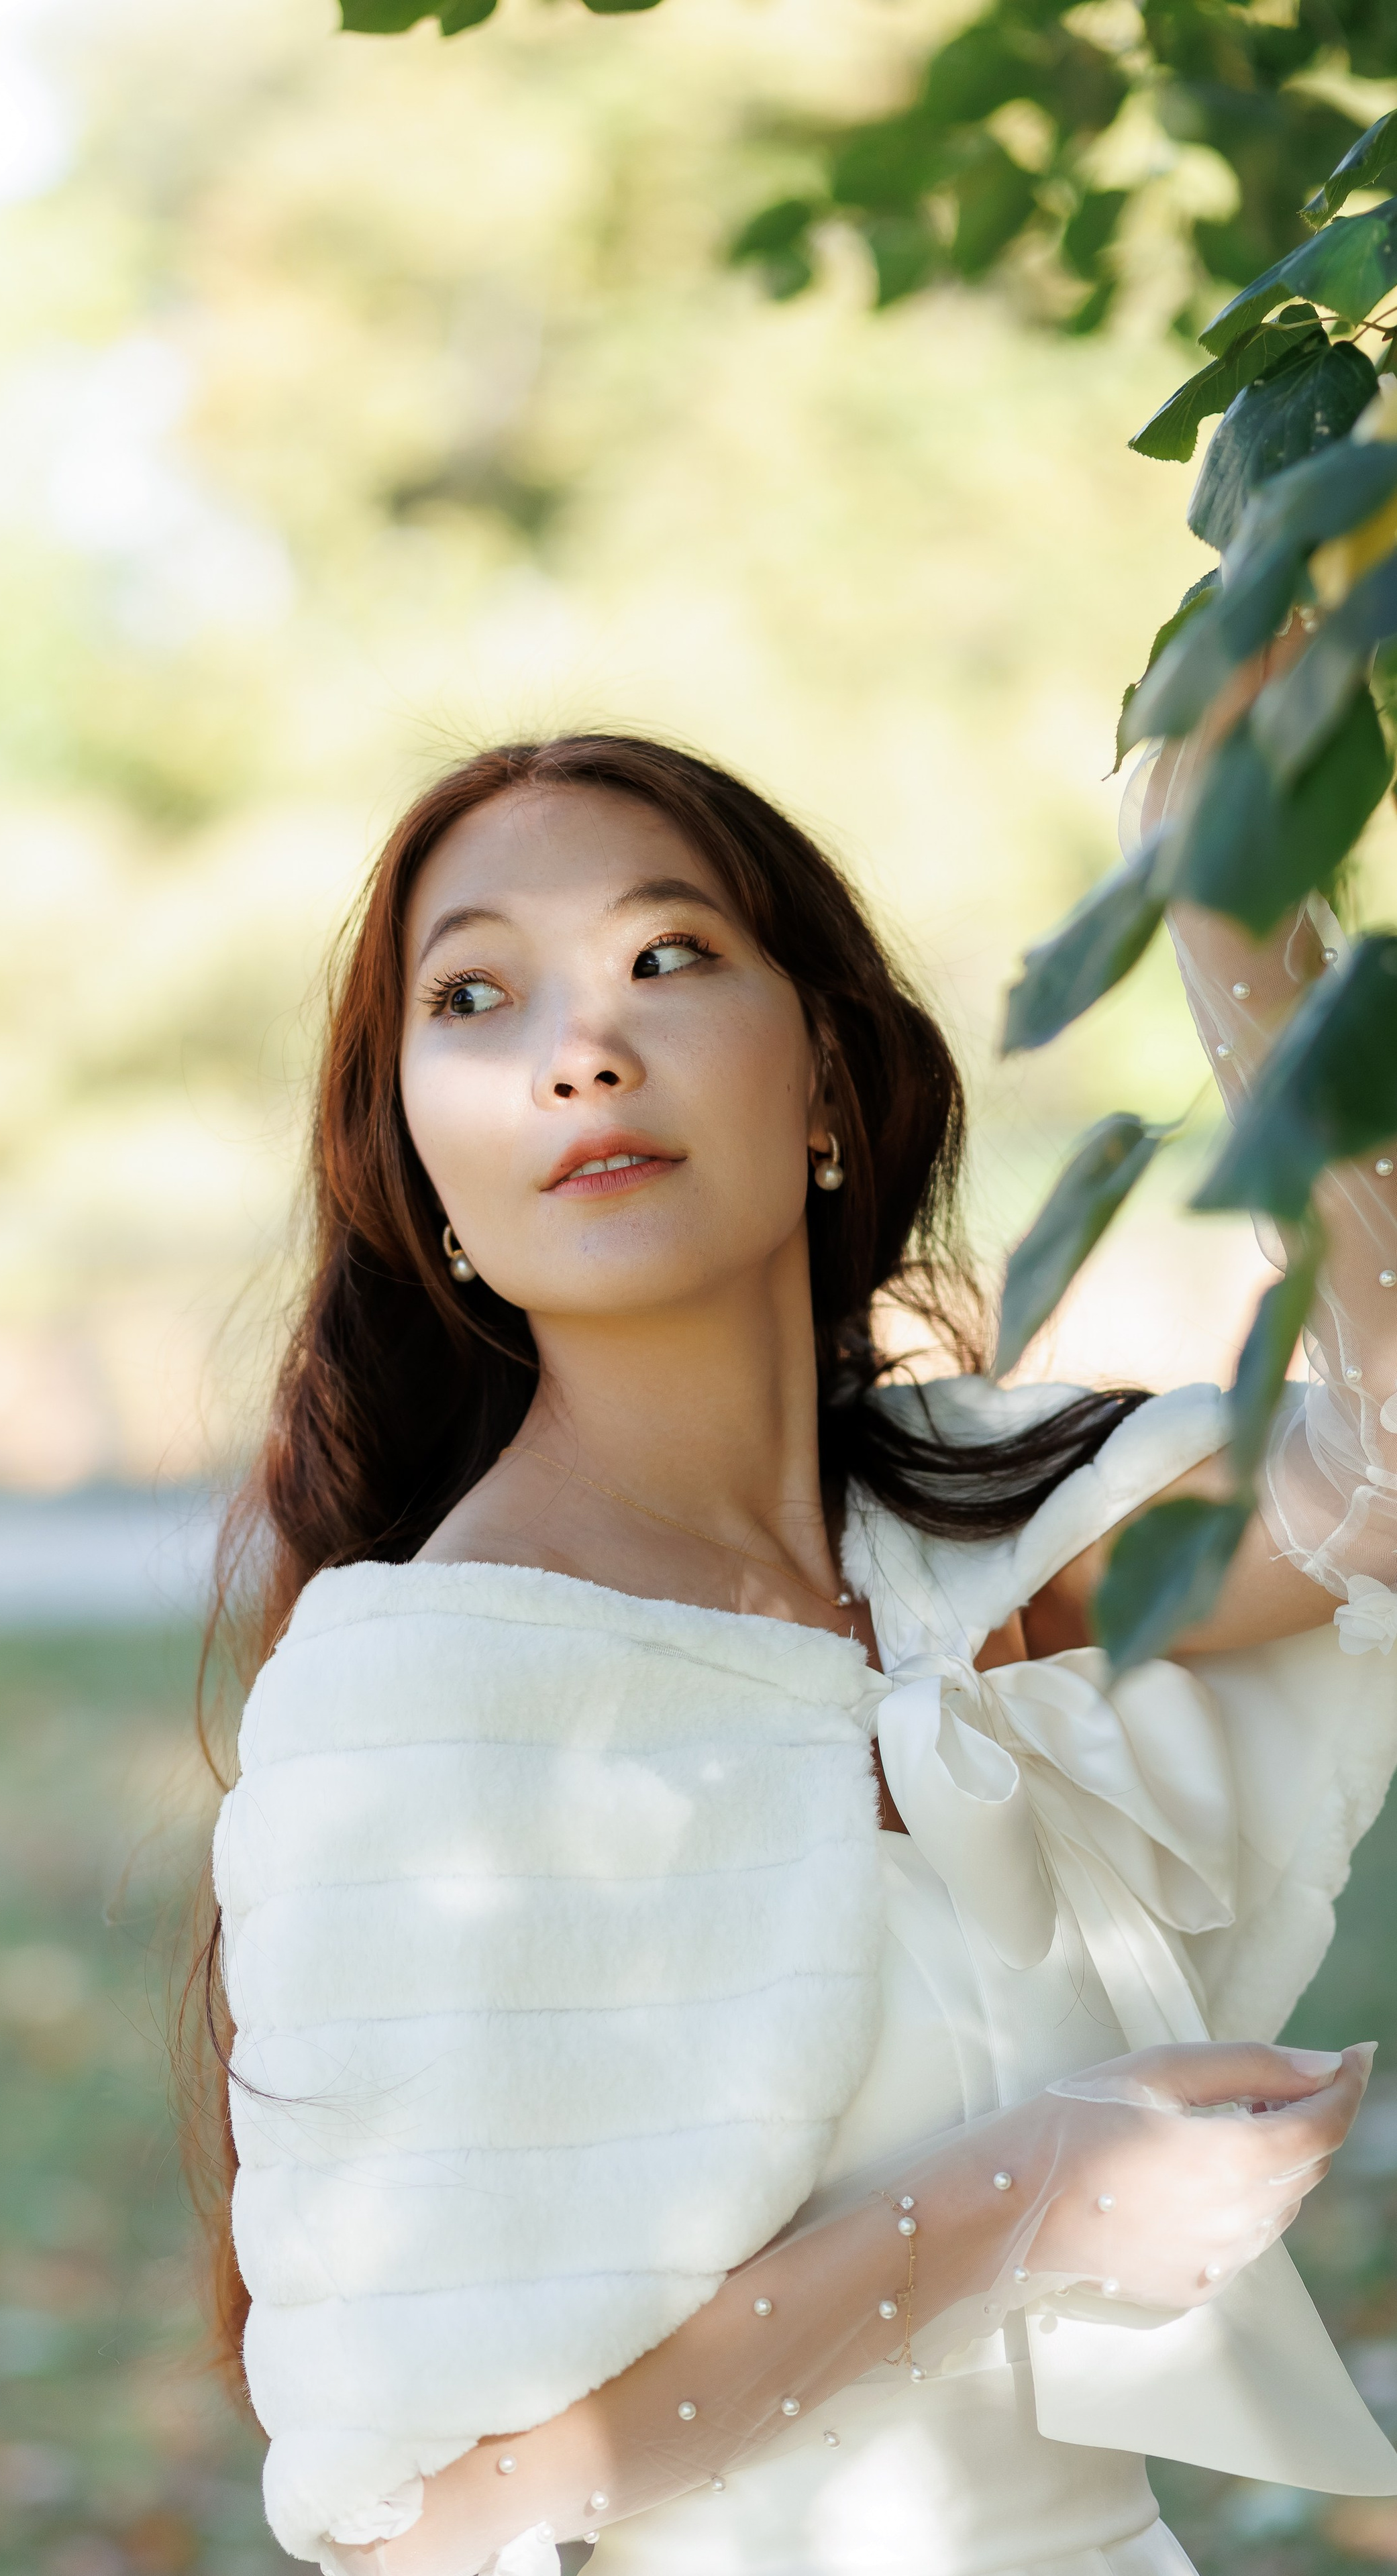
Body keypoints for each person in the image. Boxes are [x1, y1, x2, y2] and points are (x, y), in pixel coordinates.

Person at [201, 731, 1397, 2576]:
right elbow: (411, 2524)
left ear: (827, 1074)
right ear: (428, 1174)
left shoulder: (987, 1545)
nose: (579, 1050)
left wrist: (1239, 903)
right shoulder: (419, 1699)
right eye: (477, 995)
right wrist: (1027, 2199)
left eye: (666, 957)